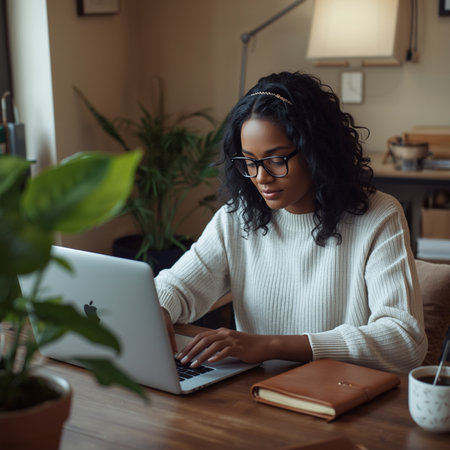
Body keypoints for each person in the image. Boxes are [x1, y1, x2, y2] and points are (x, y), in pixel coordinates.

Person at [155, 71, 427, 373]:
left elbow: (405, 341)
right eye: (249, 161)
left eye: (276, 159)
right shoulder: (237, 217)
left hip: (340, 400)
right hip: (256, 396)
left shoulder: (379, 217)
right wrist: (158, 307)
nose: (261, 177)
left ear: (315, 152)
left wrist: (269, 346)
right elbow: (177, 287)